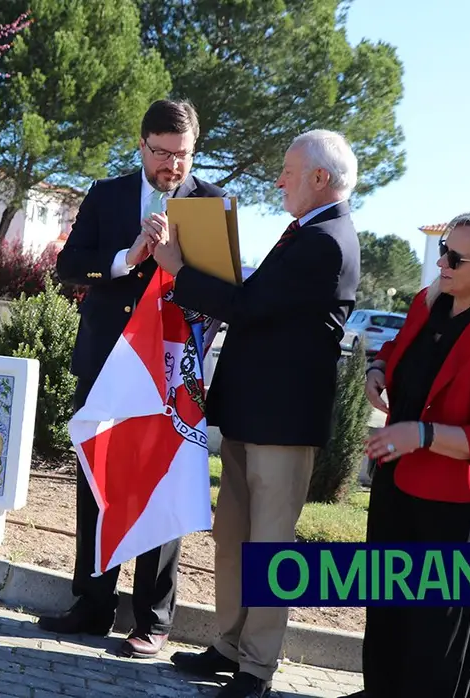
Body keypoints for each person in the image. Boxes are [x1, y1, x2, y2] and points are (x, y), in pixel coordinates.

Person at [167, 129, 361, 697]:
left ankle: (257, 666)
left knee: (270, 546)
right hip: (254, 414)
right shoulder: (308, 232)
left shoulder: (328, 241)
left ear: (320, 179)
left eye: (288, 171)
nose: (278, 180)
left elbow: (249, 305)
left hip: (282, 421)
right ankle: (229, 644)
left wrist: (180, 270)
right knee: (233, 537)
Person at [39, 99, 227, 660]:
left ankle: (153, 618)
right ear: (142, 145)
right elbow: (69, 266)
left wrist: (176, 268)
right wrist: (128, 256)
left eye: (184, 155)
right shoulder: (107, 195)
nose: (174, 165)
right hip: (105, 363)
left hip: (169, 372)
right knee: (99, 479)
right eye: (164, 153)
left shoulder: (211, 205)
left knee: (160, 486)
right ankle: (92, 605)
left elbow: (221, 295)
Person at [352, 212, 470, 698]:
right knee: (389, 613)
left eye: (456, 257)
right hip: (398, 485)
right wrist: (377, 366)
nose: (443, 262)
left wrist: (425, 433)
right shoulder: (427, 302)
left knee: (439, 639)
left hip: (456, 509)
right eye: (443, 251)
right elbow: (398, 348)